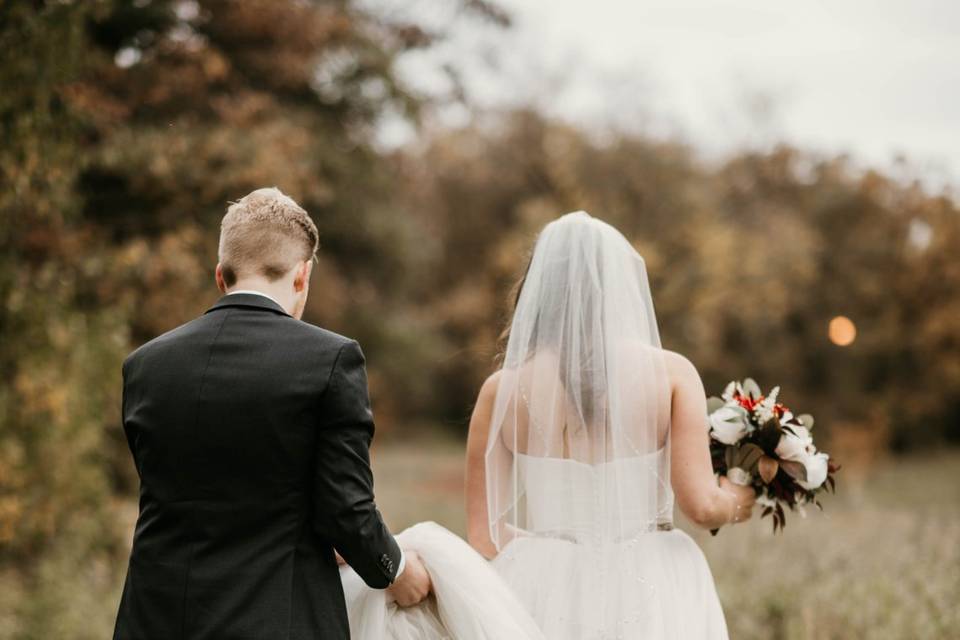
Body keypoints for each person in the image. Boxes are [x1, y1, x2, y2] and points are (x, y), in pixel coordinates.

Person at [342, 210, 756, 639]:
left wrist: (549, 549)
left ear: (539, 290)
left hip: (538, 582)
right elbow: (703, 506)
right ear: (620, 289)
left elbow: (485, 539)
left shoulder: (499, 391)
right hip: (653, 577)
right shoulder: (672, 375)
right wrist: (742, 495)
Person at [113, 187, 430, 640]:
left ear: (220, 276)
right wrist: (397, 570)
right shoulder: (332, 360)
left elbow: (194, 494)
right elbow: (346, 511)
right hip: (275, 622)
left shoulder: (144, 366)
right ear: (302, 277)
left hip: (154, 621)